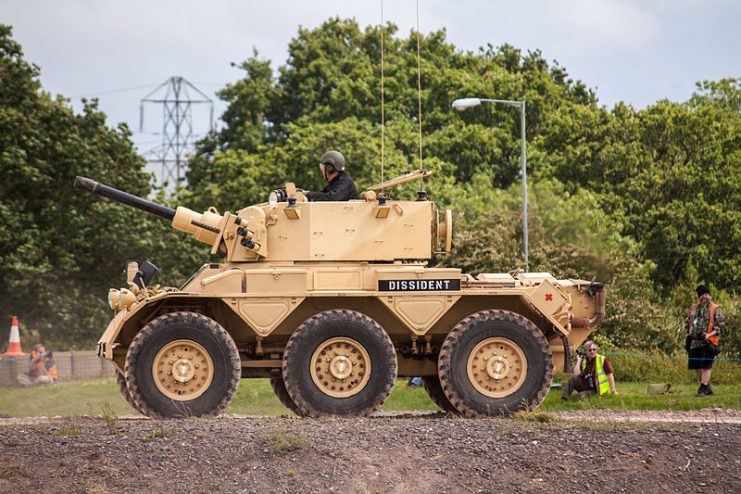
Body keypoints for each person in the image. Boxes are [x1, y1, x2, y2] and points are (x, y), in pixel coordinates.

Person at [686, 284, 724, 397]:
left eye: (707, 294)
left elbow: (720, 327)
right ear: (699, 296)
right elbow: (687, 322)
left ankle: (703, 388)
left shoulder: (715, 309)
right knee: (695, 365)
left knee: (706, 365)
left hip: (710, 341)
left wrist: (709, 335)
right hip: (694, 341)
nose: (705, 296)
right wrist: (688, 334)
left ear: (710, 295)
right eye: (702, 294)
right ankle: (706, 387)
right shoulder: (693, 308)